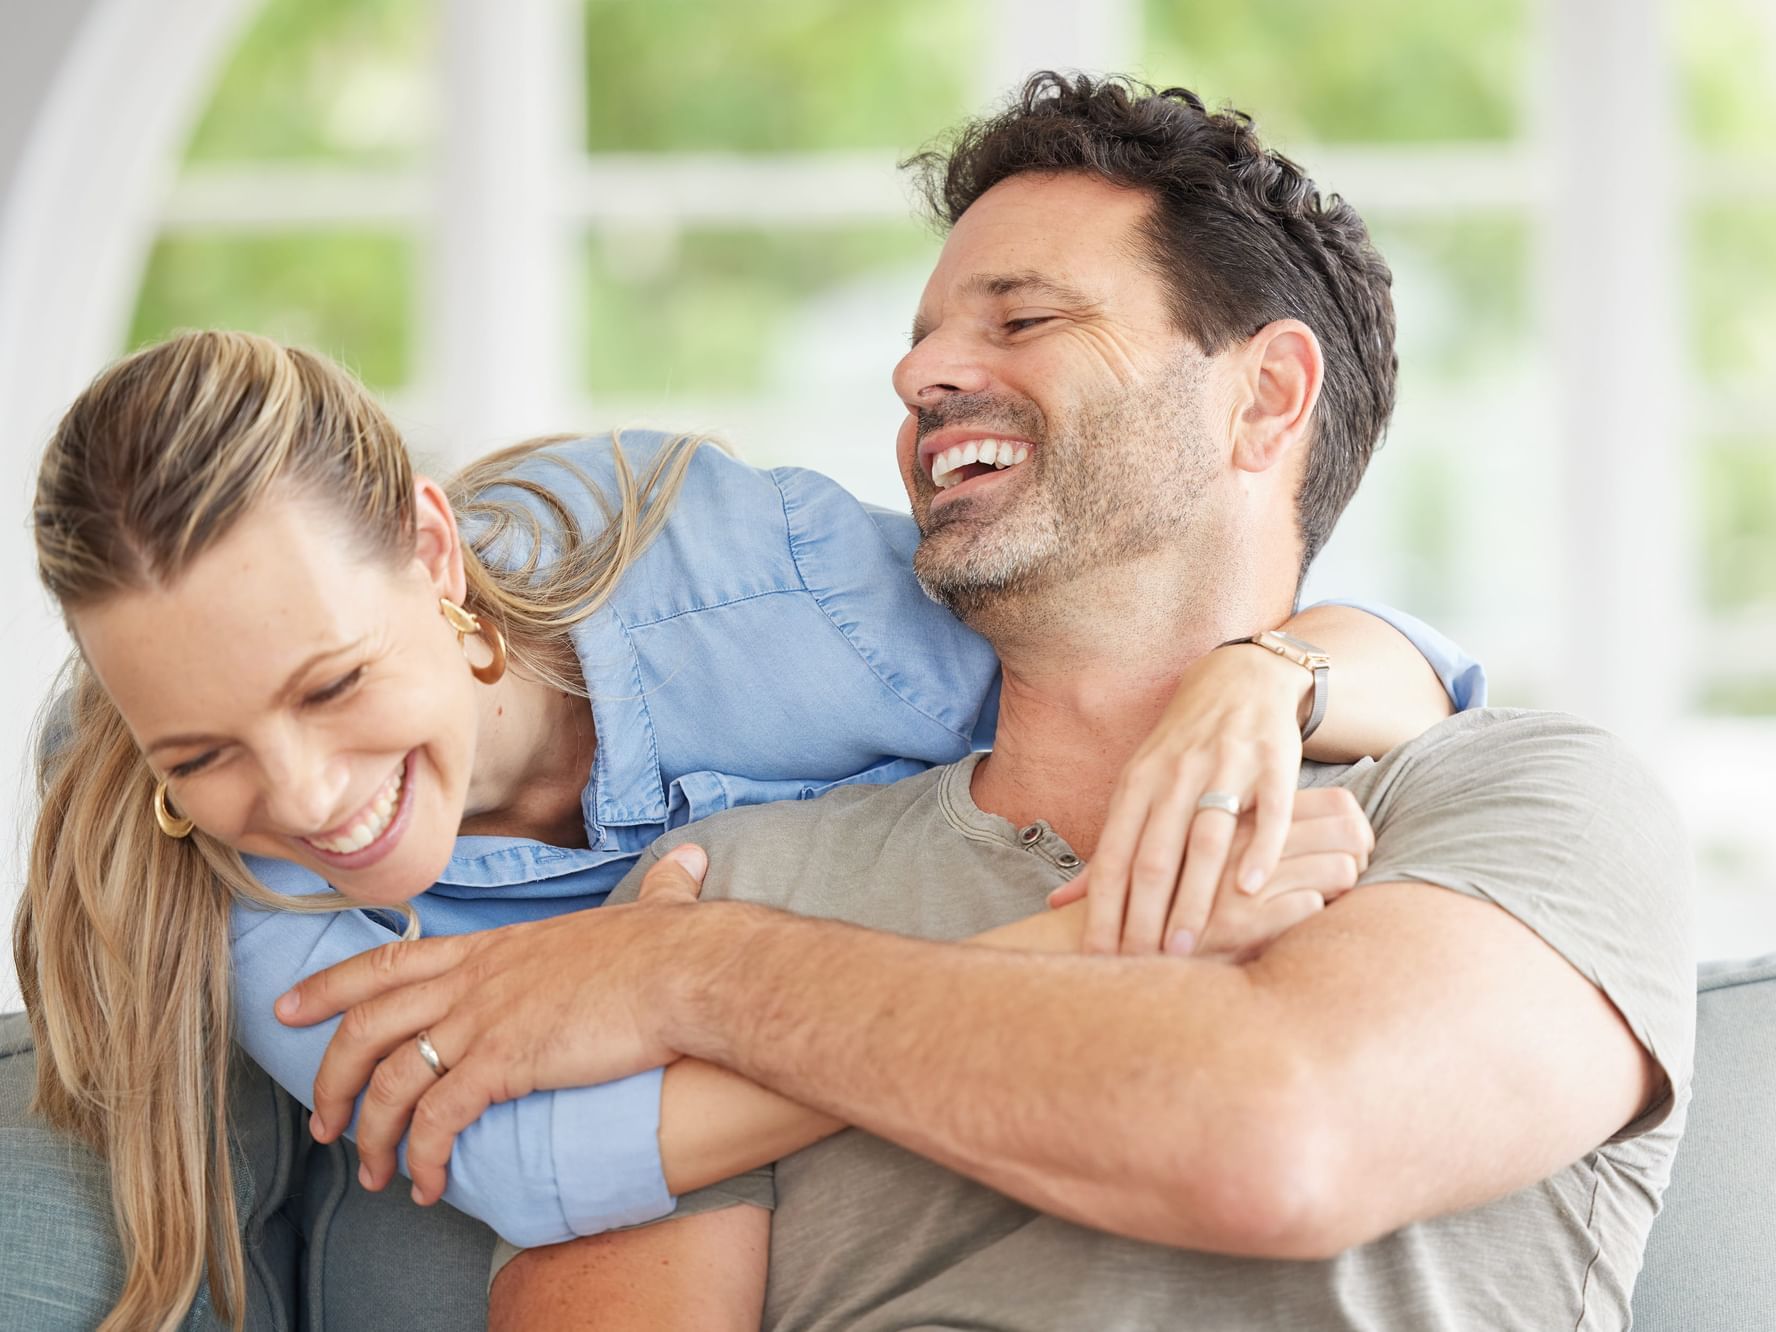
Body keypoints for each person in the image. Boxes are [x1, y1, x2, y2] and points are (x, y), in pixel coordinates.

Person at [281, 75, 1695, 1330]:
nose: (917, 375)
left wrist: (696, 981)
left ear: (1266, 401)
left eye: (1024, 318)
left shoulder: (1520, 803)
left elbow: (1276, 1146)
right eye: (922, 338)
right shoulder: (749, 873)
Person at [6, 297, 1471, 1332]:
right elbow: (529, 1165)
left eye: (332, 687)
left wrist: (1255, 681)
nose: (308, 801)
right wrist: (1089, 945)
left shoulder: (759, 589)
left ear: (431, 552)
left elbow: (1417, 679)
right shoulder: (197, 853)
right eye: (206, 752)